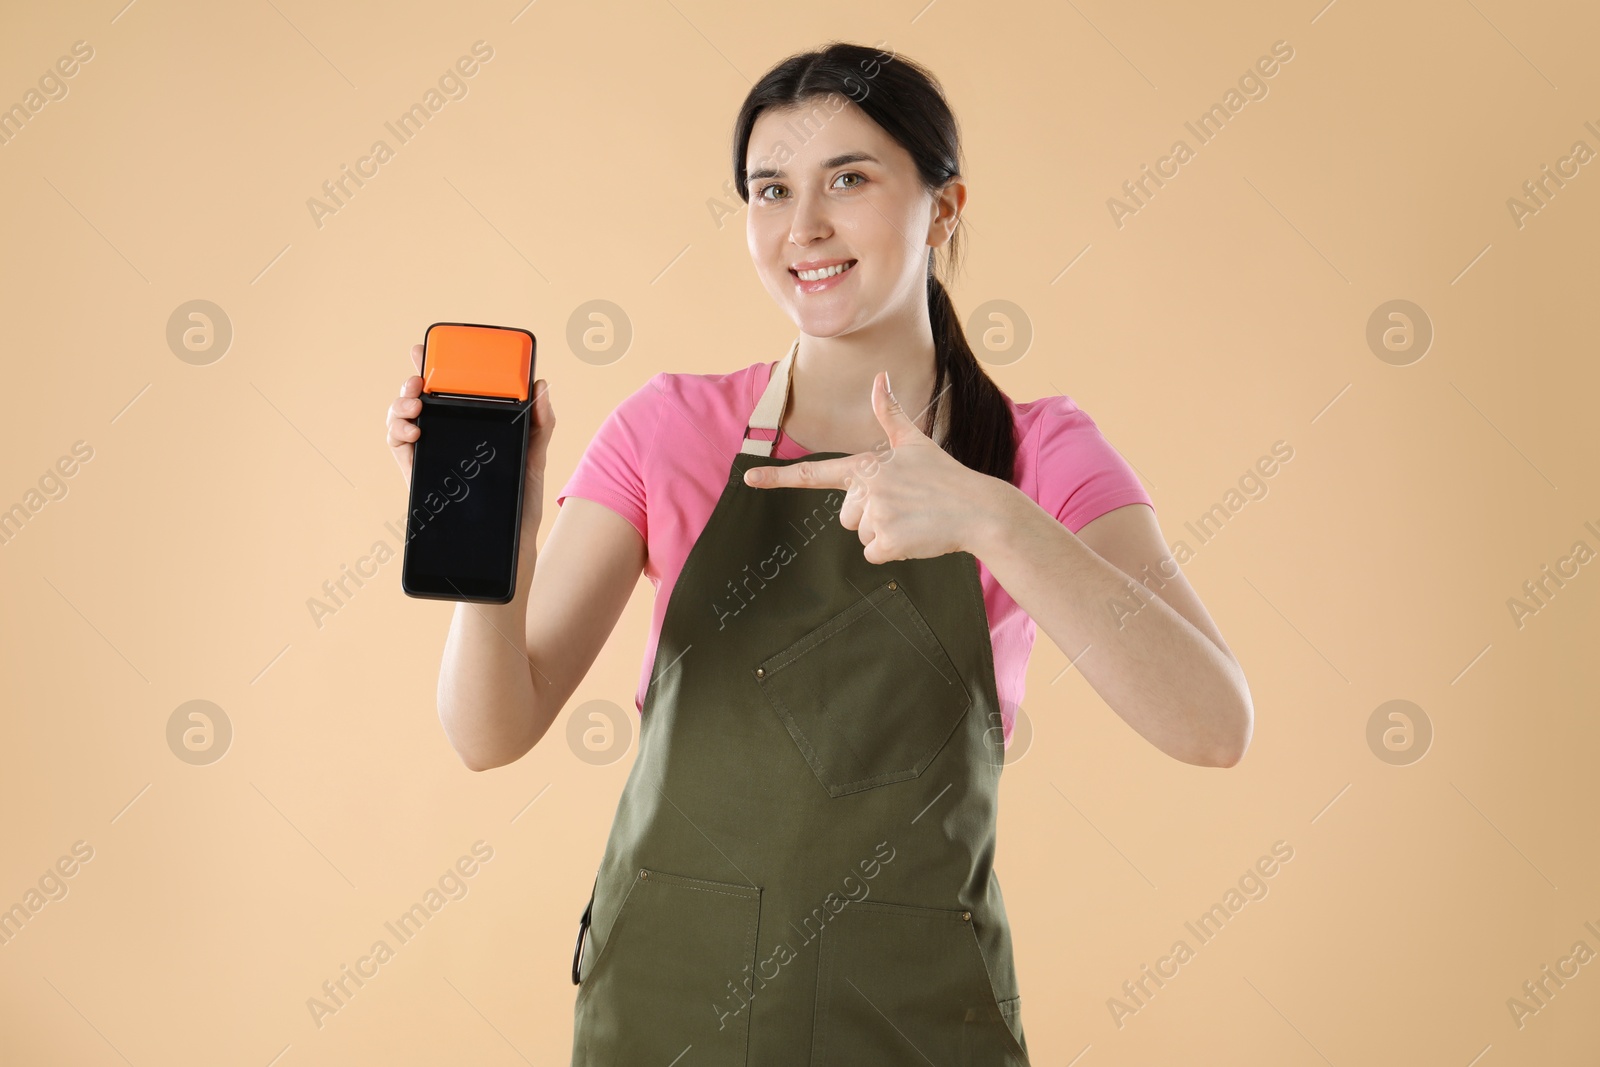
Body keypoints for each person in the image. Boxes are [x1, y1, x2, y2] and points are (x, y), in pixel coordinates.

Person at [387, 40, 1251, 1067]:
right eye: (770, 189)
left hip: (918, 1025)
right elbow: (490, 729)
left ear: (943, 205)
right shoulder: (669, 427)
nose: (804, 227)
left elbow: (1213, 722)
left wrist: (992, 516)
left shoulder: (1034, 452)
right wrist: (504, 532)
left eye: (849, 177)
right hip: (666, 1013)